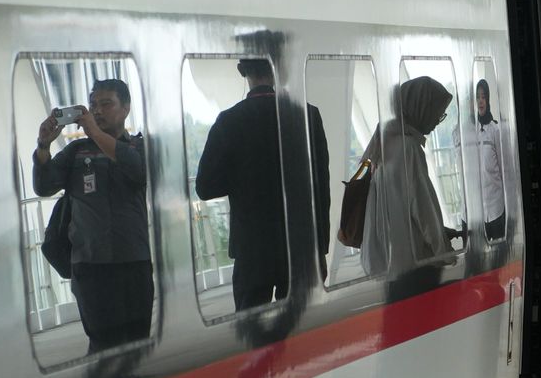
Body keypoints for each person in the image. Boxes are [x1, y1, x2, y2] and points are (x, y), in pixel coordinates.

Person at [194, 59, 330, 310]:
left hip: (252, 251)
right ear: (281, 70)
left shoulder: (229, 121)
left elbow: (205, 187)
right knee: (301, 330)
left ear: (242, 72)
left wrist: (240, 178)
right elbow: (321, 186)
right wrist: (320, 248)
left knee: (253, 334)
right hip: (300, 247)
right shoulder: (308, 115)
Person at [33, 78, 152, 353]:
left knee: (139, 344)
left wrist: (96, 134)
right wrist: (42, 146)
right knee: (103, 346)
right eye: (93, 105)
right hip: (91, 267)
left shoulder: (138, 148)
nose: (97, 111)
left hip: (133, 262)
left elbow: (136, 169)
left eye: (106, 104)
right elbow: (44, 185)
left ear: (126, 108)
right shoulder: (76, 152)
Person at [361, 76, 466, 281]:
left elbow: (397, 207)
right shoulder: (408, 148)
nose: (438, 119)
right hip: (411, 267)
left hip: (385, 265)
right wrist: (444, 252)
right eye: (437, 113)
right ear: (420, 109)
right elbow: (422, 208)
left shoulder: (384, 143)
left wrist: (442, 231)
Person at [472, 78, 507, 242]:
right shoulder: (474, 132)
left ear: (488, 100)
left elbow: (503, 169)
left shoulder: (495, 129)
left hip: (496, 207)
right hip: (480, 212)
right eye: (478, 97)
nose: (480, 101)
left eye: (483, 96)